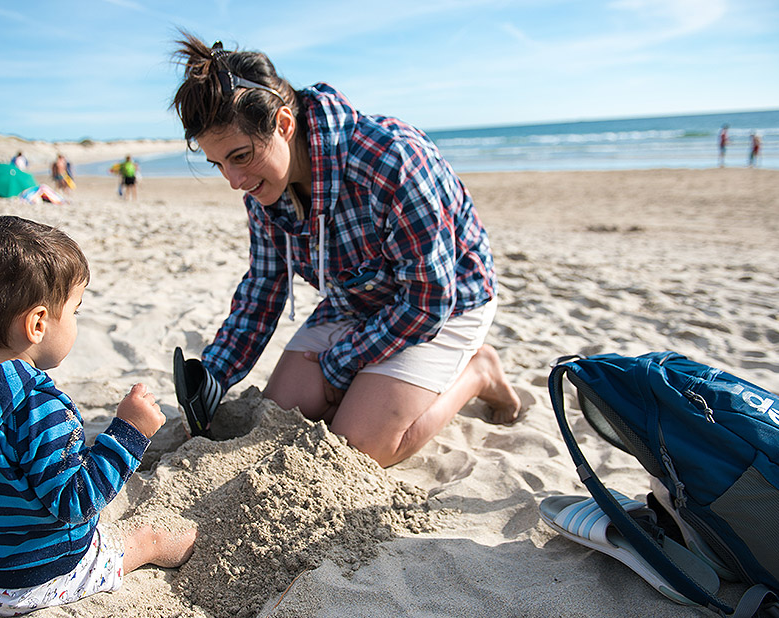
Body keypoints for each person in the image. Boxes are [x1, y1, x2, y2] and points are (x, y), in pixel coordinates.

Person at [170, 34, 521, 467]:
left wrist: (342, 364)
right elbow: (263, 290)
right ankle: (378, 387)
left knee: (359, 447)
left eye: (240, 156)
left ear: (283, 123)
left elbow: (428, 301)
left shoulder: (393, 160)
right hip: (357, 301)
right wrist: (214, 375)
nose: (234, 181)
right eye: (219, 164)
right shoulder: (263, 192)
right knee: (279, 413)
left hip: (445, 303)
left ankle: (478, 371)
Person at [0, 214, 196, 616]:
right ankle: (157, 547)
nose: (76, 321)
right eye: (75, 311)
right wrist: (130, 431)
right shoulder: (39, 409)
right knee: (141, 541)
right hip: (34, 580)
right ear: (38, 322)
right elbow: (77, 500)